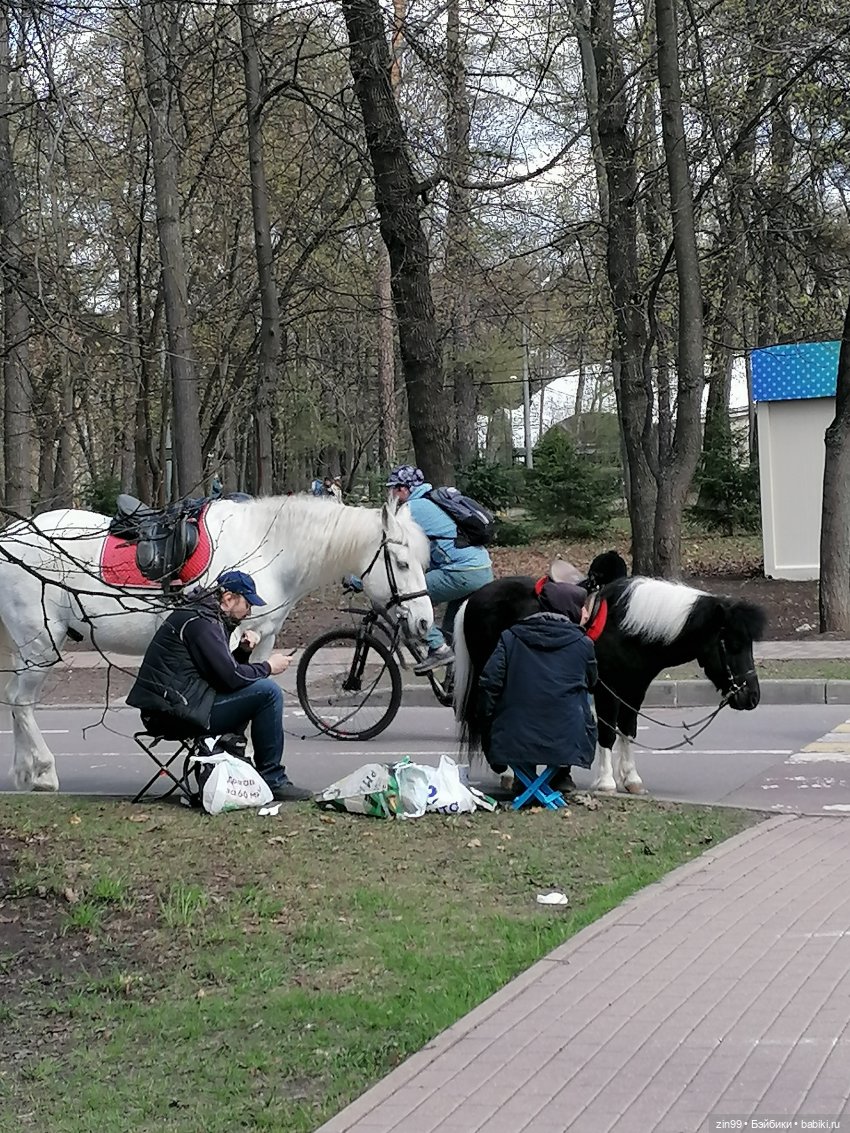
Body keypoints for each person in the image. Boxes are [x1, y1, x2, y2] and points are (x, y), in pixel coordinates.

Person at [127, 570, 312, 802]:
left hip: (178, 706)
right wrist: (267, 666)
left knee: (256, 692)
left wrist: (243, 652)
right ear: (228, 598)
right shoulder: (202, 622)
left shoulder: (202, 615)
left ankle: (234, 771)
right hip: (173, 714)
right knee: (269, 692)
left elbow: (221, 674)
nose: (249, 612)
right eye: (247, 604)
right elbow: (230, 677)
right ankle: (273, 780)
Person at [476, 580, 597, 800]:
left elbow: (489, 683)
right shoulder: (583, 644)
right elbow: (592, 681)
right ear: (568, 609)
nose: (587, 613)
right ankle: (560, 775)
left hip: (513, 736)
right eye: (582, 607)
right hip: (568, 739)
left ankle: (525, 778)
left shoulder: (510, 637)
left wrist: (487, 724)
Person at [386, 464, 493, 674]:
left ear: (403, 489)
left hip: (461, 572)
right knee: (451, 633)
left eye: (392, 489)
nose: (390, 494)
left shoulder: (410, 510)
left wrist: (358, 580)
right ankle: (454, 680)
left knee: (405, 599)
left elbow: (390, 550)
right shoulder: (432, 501)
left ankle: (438, 649)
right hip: (481, 570)